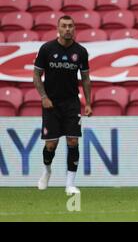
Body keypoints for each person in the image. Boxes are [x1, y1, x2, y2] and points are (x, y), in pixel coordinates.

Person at [34, 15, 92, 194]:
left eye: (71, 26)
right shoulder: (46, 49)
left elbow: (85, 78)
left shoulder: (80, 52)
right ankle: (47, 170)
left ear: (74, 29)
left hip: (72, 103)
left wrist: (88, 102)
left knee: (73, 141)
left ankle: (70, 184)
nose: (68, 29)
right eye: (64, 26)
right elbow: (36, 75)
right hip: (51, 103)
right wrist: (43, 96)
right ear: (58, 28)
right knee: (51, 145)